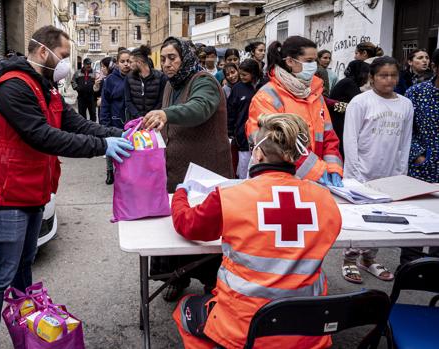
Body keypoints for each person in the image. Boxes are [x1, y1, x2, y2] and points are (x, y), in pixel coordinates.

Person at [0, 25, 132, 349]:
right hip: (9, 196)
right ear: (43, 51)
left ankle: (26, 330)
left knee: (23, 268)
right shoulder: (13, 87)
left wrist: (113, 132)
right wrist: (101, 147)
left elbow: (73, 122)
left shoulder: (47, 86)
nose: (65, 63)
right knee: (0, 276)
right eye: (61, 55)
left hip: (34, 192)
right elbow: (43, 135)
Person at [171, 113, 342, 349]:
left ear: (258, 153)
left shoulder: (231, 196)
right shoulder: (325, 200)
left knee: (185, 308)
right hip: (307, 330)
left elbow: (187, 224)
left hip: (242, 329)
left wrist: (181, 193)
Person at [143, 37, 233, 302]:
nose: (168, 64)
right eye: (164, 58)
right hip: (177, 170)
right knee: (176, 226)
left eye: (173, 57)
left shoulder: (204, 81)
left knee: (206, 229)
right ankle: (176, 277)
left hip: (206, 172)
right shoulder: (172, 84)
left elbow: (199, 108)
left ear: (186, 57)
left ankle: (212, 283)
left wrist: (166, 114)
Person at [342, 57, 413, 284]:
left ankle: (369, 258)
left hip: (391, 173)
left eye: (393, 75)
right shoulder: (360, 102)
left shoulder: (405, 104)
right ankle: (350, 260)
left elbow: (405, 141)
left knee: (384, 222)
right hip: (361, 172)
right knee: (360, 221)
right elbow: (350, 140)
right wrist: (355, 175)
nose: (389, 80)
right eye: (383, 75)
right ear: (372, 78)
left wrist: (401, 174)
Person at [248, 36, 344, 187]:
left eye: (315, 60)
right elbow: (273, 144)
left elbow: (329, 137)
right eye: (309, 61)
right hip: (279, 180)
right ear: (290, 61)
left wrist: (333, 168)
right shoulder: (267, 96)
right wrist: (315, 170)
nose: (314, 65)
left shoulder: (315, 94)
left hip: (315, 182)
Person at [399, 48, 439, 265]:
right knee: (415, 217)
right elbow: (406, 129)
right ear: (435, 67)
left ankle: (434, 268)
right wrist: (417, 156)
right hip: (422, 166)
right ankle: (409, 267)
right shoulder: (417, 92)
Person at [100, 49, 131, 185]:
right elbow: (105, 104)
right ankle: (109, 171)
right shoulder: (110, 80)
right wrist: (105, 123)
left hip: (131, 121)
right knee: (111, 147)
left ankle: (126, 173)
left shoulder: (135, 77)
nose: (126, 64)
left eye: (129, 61)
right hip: (114, 119)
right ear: (117, 63)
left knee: (129, 148)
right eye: (122, 61)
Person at [329, 60, 370, 157]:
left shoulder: (349, 82)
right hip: (338, 120)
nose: (367, 77)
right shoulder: (349, 83)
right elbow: (359, 103)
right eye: (366, 73)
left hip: (339, 118)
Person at [228, 59, 260, 179]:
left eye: (245, 75)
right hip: (243, 136)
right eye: (240, 74)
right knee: (244, 170)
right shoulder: (237, 88)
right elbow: (231, 111)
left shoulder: (262, 86)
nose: (241, 77)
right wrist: (230, 131)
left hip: (261, 135)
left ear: (253, 73)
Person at [124, 45, 167, 120]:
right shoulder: (128, 77)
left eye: (131, 62)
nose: (129, 65)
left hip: (154, 121)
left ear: (139, 62)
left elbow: (161, 101)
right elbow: (128, 101)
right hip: (135, 122)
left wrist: (149, 117)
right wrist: (138, 116)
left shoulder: (161, 77)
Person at [71, 57, 97, 121]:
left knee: (93, 114)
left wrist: (96, 90)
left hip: (91, 97)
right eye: (87, 64)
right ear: (84, 64)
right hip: (81, 97)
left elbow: (98, 82)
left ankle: (93, 128)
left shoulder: (94, 73)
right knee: (82, 115)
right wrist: (77, 87)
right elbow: (73, 81)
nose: (89, 65)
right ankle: (84, 129)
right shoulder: (78, 73)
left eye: (90, 64)